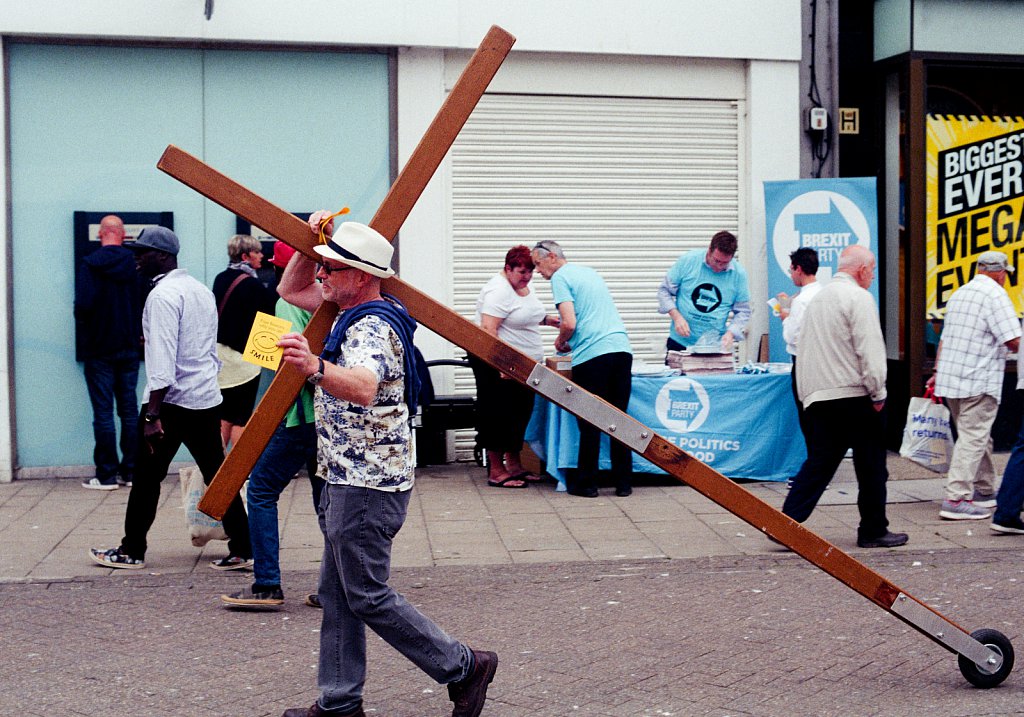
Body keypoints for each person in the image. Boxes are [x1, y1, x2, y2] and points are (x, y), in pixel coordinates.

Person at [276, 216, 498, 717]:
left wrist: (313, 366)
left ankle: (463, 666)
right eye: (326, 265)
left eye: (334, 267)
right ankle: (338, 703)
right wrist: (312, 245)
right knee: (338, 594)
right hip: (346, 475)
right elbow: (292, 287)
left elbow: (362, 385)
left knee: (366, 595)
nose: (324, 274)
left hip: (366, 483)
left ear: (362, 275)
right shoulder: (351, 310)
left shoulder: (371, 326)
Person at [89, 226, 253, 571]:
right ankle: (244, 546)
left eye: (142, 253)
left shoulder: (162, 296)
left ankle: (131, 550)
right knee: (217, 473)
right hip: (204, 398)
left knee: (146, 478)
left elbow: (162, 360)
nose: (136, 259)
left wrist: (151, 415)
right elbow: (205, 347)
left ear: (163, 256)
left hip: (171, 403)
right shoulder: (198, 290)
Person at [780, 245, 908, 549]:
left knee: (820, 461)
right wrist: (878, 391)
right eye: (873, 269)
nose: (874, 275)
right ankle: (873, 529)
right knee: (872, 464)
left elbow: (802, 348)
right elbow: (869, 349)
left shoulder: (815, 299)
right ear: (862, 269)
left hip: (820, 397)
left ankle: (784, 523)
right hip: (855, 396)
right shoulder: (858, 298)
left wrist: (807, 396)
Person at [220, 242, 325, 609]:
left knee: (261, 489)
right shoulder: (325, 302)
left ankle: (267, 583)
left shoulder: (284, 305)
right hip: (326, 417)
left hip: (297, 417)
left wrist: (265, 415)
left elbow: (278, 369)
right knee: (325, 501)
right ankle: (335, 588)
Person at [531, 240, 634, 498]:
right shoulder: (588, 272)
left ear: (551, 257)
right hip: (621, 349)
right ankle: (623, 483)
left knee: (590, 419)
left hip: (593, 355)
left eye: (538, 264)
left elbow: (569, 322)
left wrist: (561, 341)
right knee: (619, 418)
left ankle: (587, 484)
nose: (537, 272)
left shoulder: (560, 278)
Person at [928, 251, 1021, 521]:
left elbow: (945, 338)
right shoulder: (995, 295)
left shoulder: (960, 293)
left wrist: (936, 370)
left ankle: (984, 488)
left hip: (951, 378)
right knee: (973, 437)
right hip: (978, 378)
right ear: (1000, 272)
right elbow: (1013, 339)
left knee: (977, 435)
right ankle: (956, 497)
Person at [469, 245, 559, 489]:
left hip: (522, 364)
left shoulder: (521, 287)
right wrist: (500, 364)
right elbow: (489, 329)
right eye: (521, 272)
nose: (527, 277)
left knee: (520, 413)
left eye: (530, 272)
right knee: (498, 414)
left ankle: (515, 465)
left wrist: (549, 320)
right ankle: (497, 471)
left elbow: (524, 313)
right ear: (507, 269)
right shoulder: (498, 291)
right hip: (497, 362)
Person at [74, 215, 142, 490]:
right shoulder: (135, 265)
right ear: (123, 235)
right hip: (128, 347)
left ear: (102, 234)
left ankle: (106, 475)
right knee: (128, 410)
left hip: (99, 348)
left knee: (103, 412)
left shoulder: (90, 264)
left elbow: (83, 305)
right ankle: (131, 472)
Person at [212, 234, 279, 451]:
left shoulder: (220, 278)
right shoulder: (253, 285)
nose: (262, 255)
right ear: (245, 255)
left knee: (223, 415)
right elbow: (269, 318)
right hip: (243, 361)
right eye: (257, 252)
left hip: (220, 356)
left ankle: (214, 468)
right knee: (241, 417)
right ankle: (240, 471)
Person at [657, 230, 751, 353]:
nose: (719, 267)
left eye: (725, 263)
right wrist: (676, 317)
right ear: (709, 250)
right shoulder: (689, 261)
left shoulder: (739, 274)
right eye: (716, 261)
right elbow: (664, 291)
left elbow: (743, 311)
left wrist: (731, 333)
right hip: (680, 342)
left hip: (714, 345)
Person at [777, 247, 822, 444]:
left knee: (808, 419)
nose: (791, 275)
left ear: (799, 269)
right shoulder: (823, 293)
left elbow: (791, 336)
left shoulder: (801, 300)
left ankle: (813, 466)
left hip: (803, 363)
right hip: (823, 364)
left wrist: (785, 316)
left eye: (791, 270)